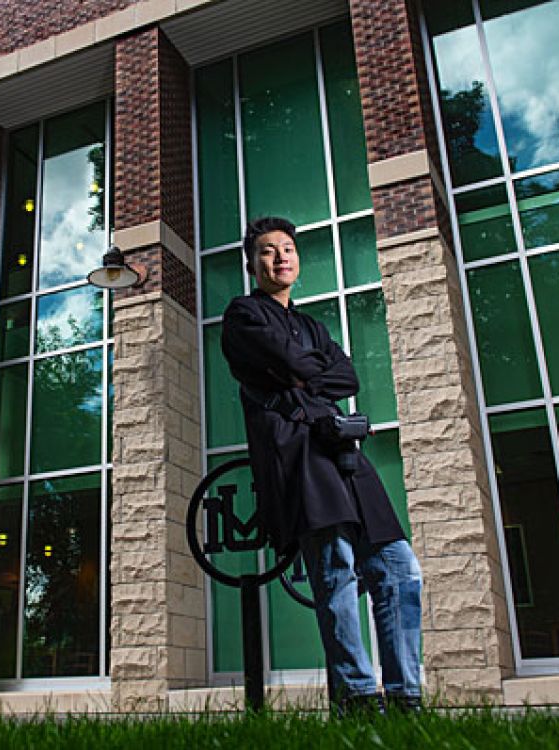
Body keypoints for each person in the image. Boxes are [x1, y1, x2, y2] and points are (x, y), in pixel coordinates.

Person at [221, 216, 423, 715]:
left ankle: (404, 695)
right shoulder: (243, 314)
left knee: (400, 568)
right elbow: (298, 365)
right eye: (268, 251)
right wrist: (308, 373)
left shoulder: (312, 325)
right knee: (335, 571)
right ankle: (356, 696)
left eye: (288, 249)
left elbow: (346, 376)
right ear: (252, 263)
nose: (281, 257)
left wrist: (303, 374)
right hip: (299, 457)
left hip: (343, 453)